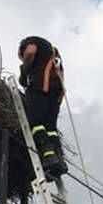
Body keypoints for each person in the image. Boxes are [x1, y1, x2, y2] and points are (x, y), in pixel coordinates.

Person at [17, 35, 67, 179]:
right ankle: (59, 160)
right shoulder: (53, 53)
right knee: (51, 128)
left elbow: (30, 52)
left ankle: (48, 157)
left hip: (40, 89)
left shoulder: (31, 41)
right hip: (56, 95)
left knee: (36, 124)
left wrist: (24, 72)